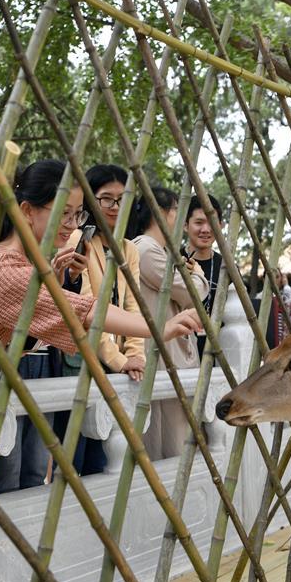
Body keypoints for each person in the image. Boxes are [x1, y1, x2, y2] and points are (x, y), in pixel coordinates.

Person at [0, 161, 200, 488]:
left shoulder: (19, 261)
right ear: (26, 210)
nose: (71, 225)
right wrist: (157, 329)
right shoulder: (6, 271)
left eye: (77, 214)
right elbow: (83, 311)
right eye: (63, 213)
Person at [58, 163, 144, 475]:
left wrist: (135, 354)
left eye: (123, 199)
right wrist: (120, 360)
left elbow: (134, 305)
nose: (115, 207)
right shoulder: (78, 239)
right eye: (107, 198)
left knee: (109, 457)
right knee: (74, 456)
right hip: (81, 359)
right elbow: (87, 309)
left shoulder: (128, 249)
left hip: (118, 365)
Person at [131, 186, 209, 460]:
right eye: (177, 209)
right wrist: (198, 274)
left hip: (171, 351)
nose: (180, 217)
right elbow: (193, 293)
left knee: (176, 435)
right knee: (167, 441)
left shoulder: (159, 251)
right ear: (161, 213)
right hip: (161, 353)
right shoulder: (146, 250)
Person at [184, 195, 223, 355]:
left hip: (219, 353)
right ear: (186, 225)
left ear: (220, 225)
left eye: (212, 222)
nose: (206, 229)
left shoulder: (227, 267)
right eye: (199, 222)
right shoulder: (172, 261)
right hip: (181, 352)